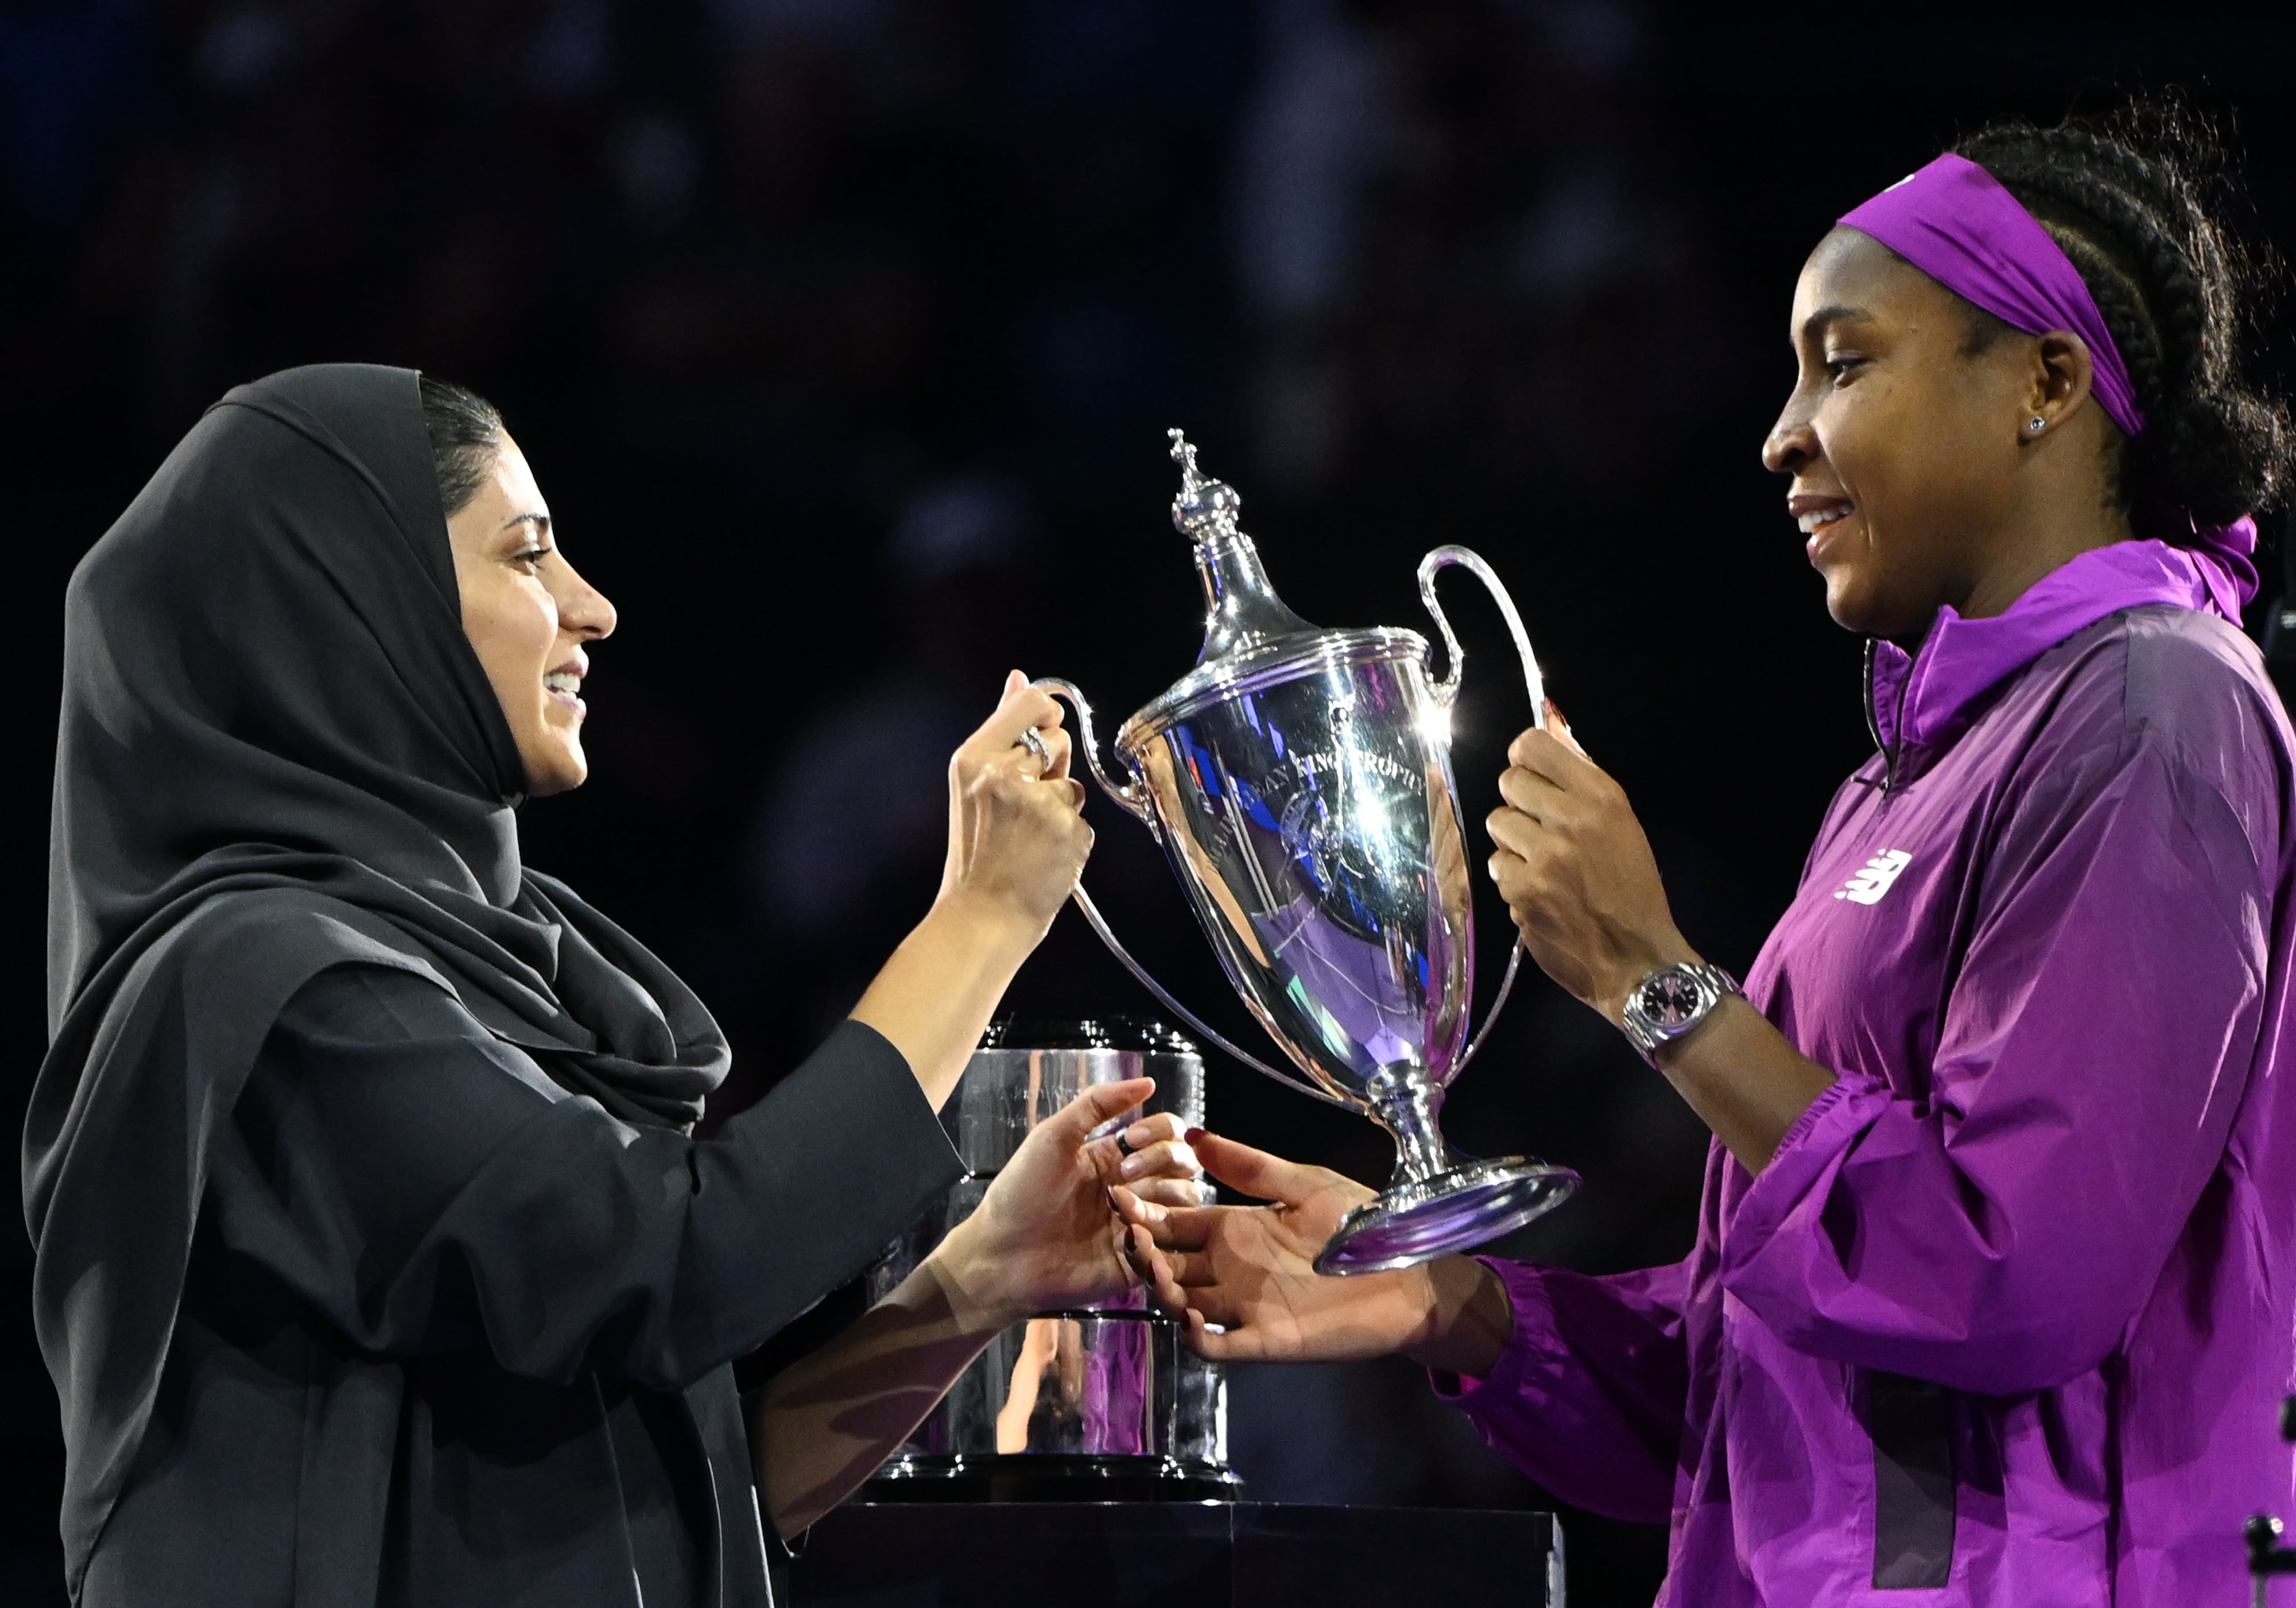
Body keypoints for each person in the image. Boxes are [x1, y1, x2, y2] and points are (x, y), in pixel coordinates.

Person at [1119, 107, 2296, 1606]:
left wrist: (1657, 984)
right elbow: (1774, 1384)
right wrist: (1433, 1300)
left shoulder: (2156, 708)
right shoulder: (1907, 778)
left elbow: (2010, 1278)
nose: (1781, 433)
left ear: (2046, 384)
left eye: (1846, 361)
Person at [26, 363, 1194, 1607]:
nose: (593, 609)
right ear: (359, 604)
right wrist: (980, 920)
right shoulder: (266, 988)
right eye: (526, 557)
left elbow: (690, 1501)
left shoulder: (477, 975)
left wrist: (979, 1282)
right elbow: (688, 1258)